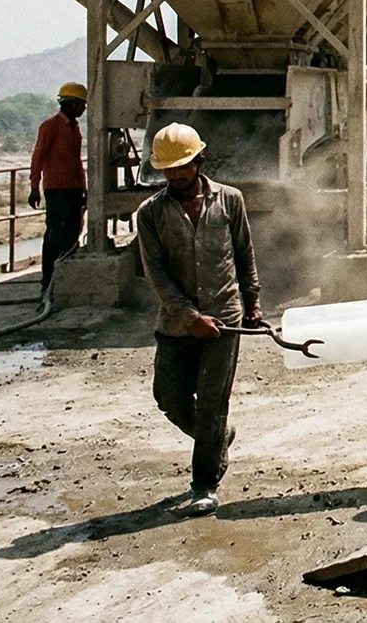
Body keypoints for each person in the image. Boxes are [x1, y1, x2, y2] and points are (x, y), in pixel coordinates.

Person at [135, 122, 262, 517]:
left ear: (199, 160)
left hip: (224, 320)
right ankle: (219, 438)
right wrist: (190, 317)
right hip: (176, 325)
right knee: (169, 398)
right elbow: (156, 275)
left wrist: (253, 303)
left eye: (183, 166)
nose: (176, 174)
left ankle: (204, 483)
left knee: (211, 403)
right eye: (169, 169)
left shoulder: (230, 201)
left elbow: (244, 254)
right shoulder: (151, 214)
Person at [29, 82, 88, 286]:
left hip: (73, 188)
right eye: (82, 104)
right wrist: (34, 187)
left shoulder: (74, 128)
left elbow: (76, 161)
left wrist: (83, 187)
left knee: (72, 233)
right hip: (56, 189)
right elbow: (38, 156)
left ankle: (64, 278)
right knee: (55, 234)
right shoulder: (50, 126)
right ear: (72, 104)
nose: (84, 109)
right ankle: (48, 279)